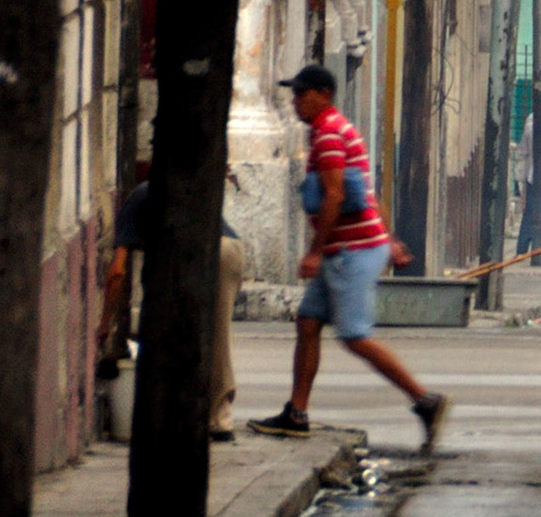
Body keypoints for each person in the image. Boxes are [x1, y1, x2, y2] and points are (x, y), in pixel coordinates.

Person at [250, 66, 447, 451]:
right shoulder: (334, 130)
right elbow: (366, 192)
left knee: (355, 336)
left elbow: (337, 195)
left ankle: (425, 401)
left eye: (302, 94)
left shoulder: (328, 136)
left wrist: (314, 252)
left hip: (349, 252)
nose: (295, 102)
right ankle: (296, 412)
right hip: (350, 248)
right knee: (308, 322)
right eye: (294, 95)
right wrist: (388, 240)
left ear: (324, 94)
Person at [99, 173, 245, 441]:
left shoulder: (132, 205)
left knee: (213, 337)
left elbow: (117, 272)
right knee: (199, 331)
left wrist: (104, 324)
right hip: (229, 249)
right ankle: (192, 412)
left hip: (217, 251)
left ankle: (219, 419)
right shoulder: (175, 189)